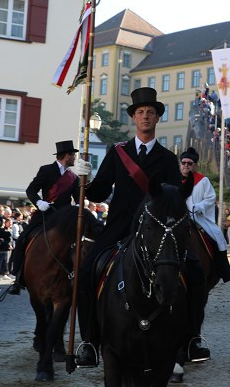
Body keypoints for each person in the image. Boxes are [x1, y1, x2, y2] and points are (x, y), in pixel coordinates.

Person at [76, 86, 190, 367]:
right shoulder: (118, 153)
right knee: (88, 270)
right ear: (134, 119)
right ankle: (90, 340)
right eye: (141, 112)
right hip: (119, 227)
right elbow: (100, 193)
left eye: (151, 112)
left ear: (157, 118)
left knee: (194, 272)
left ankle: (189, 339)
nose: (146, 117)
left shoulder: (166, 158)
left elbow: (173, 197)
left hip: (156, 232)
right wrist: (85, 179)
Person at [7, 140, 80, 294]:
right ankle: (18, 278)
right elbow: (31, 189)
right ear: (67, 156)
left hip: (64, 218)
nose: (74, 158)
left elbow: (78, 197)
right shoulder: (46, 170)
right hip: (45, 213)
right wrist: (38, 202)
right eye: (73, 155)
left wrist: (81, 203)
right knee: (22, 240)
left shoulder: (74, 177)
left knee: (79, 244)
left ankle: (76, 277)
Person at [179, 147, 230, 283]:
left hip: (198, 217)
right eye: (184, 162)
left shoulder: (203, 181)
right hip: (178, 217)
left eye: (189, 163)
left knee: (217, 237)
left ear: (195, 165)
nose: (186, 165)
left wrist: (198, 207)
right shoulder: (174, 180)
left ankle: (221, 269)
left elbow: (210, 198)